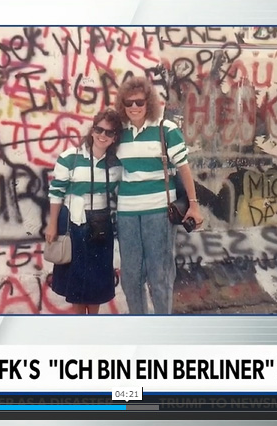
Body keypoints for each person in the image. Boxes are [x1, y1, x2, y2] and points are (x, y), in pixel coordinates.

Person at [115, 76, 204, 315]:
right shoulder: (119, 131)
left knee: (160, 275)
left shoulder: (166, 130)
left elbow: (184, 168)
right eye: (128, 103)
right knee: (131, 277)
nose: (134, 107)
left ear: (149, 103)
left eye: (139, 102)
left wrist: (193, 206)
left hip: (158, 213)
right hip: (127, 215)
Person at [45, 109, 123, 314]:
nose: (103, 136)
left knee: (97, 282)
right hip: (74, 223)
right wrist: (52, 225)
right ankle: (79, 327)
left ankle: (92, 324)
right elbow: (56, 193)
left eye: (109, 133)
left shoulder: (116, 163)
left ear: (115, 137)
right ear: (92, 129)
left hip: (101, 225)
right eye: (99, 129)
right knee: (77, 281)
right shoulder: (70, 157)